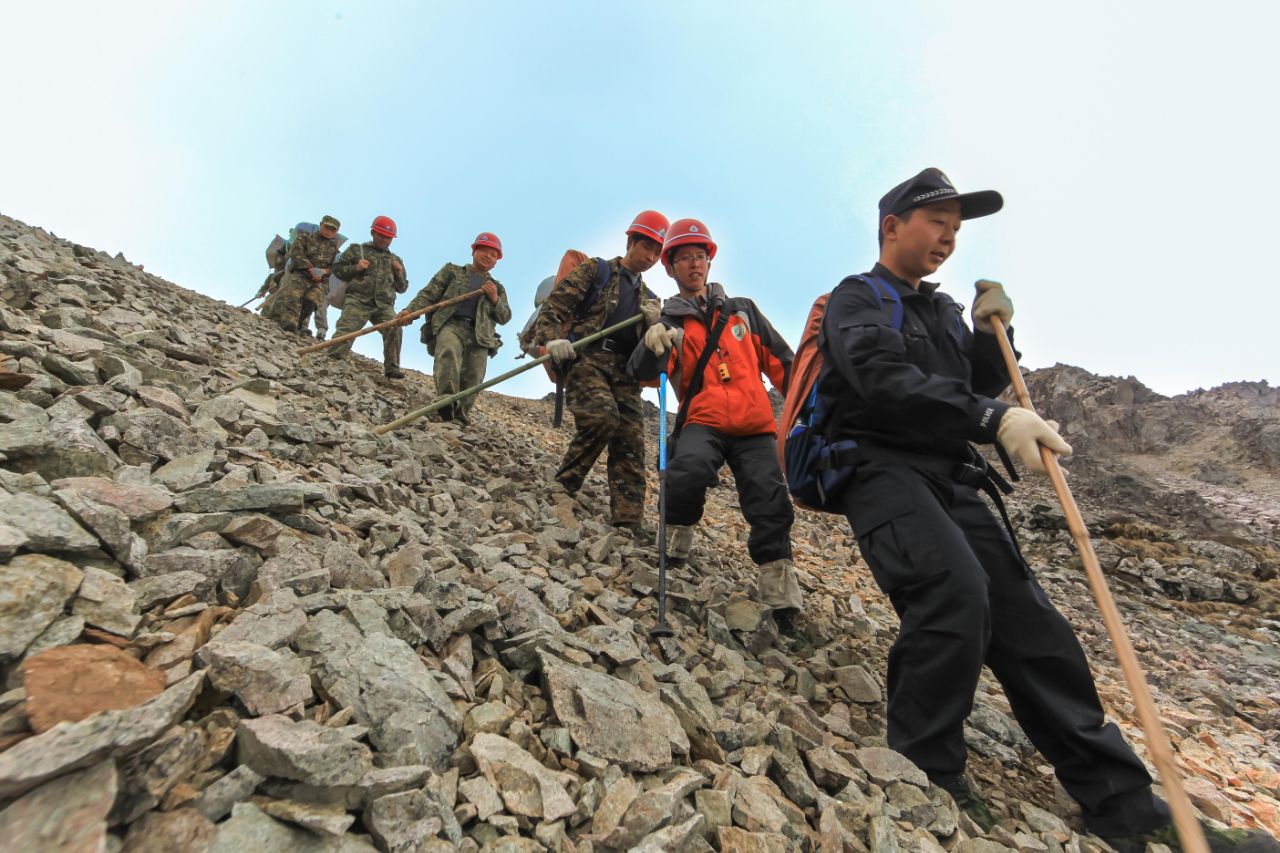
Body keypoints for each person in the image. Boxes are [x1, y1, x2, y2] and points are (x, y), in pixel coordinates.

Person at [817, 167, 1277, 852]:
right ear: (892, 226)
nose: (949, 238)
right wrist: (992, 418)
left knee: (1032, 622)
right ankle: (923, 779)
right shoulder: (857, 297)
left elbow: (973, 381)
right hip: (879, 467)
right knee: (953, 591)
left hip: (951, 475)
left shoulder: (941, 311)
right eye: (937, 222)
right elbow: (881, 379)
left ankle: (1127, 808)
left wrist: (988, 335)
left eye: (956, 229)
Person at [628, 218, 802, 625]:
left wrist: (808, 407)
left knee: (770, 497)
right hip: (702, 418)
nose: (694, 264)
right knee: (685, 472)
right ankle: (676, 541)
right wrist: (651, 342)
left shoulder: (743, 311)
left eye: (700, 256)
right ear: (670, 267)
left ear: (709, 262)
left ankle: (779, 589)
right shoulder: (669, 321)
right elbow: (644, 374)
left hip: (755, 424)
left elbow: (783, 363)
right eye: (685, 258)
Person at [529, 211, 668, 534]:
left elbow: (653, 352)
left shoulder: (649, 299)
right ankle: (564, 485)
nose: (650, 257)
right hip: (587, 358)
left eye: (656, 252)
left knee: (631, 440)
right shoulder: (597, 270)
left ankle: (628, 520)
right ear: (630, 241)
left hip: (625, 373)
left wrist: (654, 326)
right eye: (646, 247)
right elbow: (554, 307)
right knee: (602, 418)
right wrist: (552, 339)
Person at [398, 232, 512, 424]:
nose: (488, 256)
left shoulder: (497, 288)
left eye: (493, 255)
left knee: (474, 374)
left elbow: (505, 317)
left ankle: (459, 416)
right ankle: (446, 401)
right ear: (474, 251)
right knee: (448, 351)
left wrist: (495, 299)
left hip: (481, 335)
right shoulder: (452, 271)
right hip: (450, 324)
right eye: (484, 251)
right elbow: (429, 294)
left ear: (496, 262)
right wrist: (410, 311)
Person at [328, 215, 409, 379]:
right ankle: (333, 361)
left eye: (389, 238)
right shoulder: (357, 250)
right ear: (373, 233)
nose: (385, 240)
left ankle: (392, 369)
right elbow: (337, 270)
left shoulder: (395, 260)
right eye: (382, 235)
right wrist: (356, 268)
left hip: (384, 306)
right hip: (358, 300)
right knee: (347, 329)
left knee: (394, 328)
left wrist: (398, 273)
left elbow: (402, 288)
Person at [266, 215, 341, 334]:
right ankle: (288, 324)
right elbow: (296, 253)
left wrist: (323, 272)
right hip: (300, 275)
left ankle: (299, 324)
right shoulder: (304, 238)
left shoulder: (334, 250)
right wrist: (311, 269)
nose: (329, 232)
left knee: (312, 301)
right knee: (293, 297)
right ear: (321, 224)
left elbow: (336, 268)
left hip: (319, 281)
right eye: (327, 227)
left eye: (333, 230)